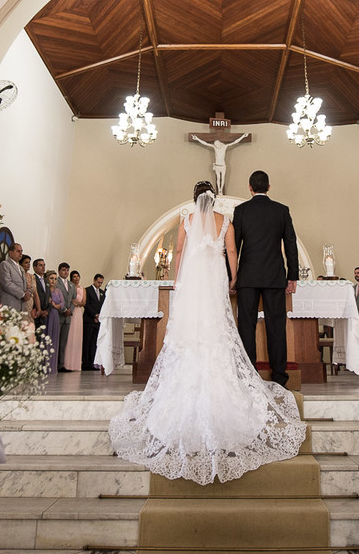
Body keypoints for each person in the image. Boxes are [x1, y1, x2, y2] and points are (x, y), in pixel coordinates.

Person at [109, 180, 307, 484]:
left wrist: (178, 280)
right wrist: (232, 279)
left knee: (189, 333)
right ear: (213, 199)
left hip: (192, 284)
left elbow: (178, 252)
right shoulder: (225, 220)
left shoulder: (186, 220)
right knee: (220, 329)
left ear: (194, 199)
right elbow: (231, 252)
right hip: (215, 282)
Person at [231, 170, 298, 387]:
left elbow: (234, 247)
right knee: (276, 326)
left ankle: (249, 376)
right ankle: (279, 376)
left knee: (246, 326)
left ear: (250, 188)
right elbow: (290, 245)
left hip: (248, 277)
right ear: (269, 187)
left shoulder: (241, 211)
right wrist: (292, 276)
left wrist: (232, 277)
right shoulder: (281, 210)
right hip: (274, 275)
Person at [82, 273, 107, 370]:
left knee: (94, 342)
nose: (99, 284)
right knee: (87, 342)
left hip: (98, 321)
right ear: (94, 280)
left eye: (101, 283)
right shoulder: (87, 290)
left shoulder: (102, 292)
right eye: (98, 282)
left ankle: (92, 362)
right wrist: (94, 315)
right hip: (89, 319)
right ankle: (85, 363)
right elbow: (86, 304)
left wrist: (99, 315)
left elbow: (103, 305)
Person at [63, 270, 86, 371]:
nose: (76, 278)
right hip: (71, 311)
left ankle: (76, 363)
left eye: (77, 276)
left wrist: (78, 303)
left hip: (78, 312)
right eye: (74, 276)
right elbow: (69, 299)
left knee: (77, 336)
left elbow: (84, 302)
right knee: (70, 336)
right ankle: (67, 363)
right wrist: (73, 303)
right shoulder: (69, 287)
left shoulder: (82, 289)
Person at [45, 271, 64, 374]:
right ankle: (45, 365)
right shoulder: (46, 289)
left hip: (55, 314)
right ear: (47, 279)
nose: (53, 280)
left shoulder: (58, 291)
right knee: (46, 337)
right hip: (48, 314)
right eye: (51, 278)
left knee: (54, 339)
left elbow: (62, 303)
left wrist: (55, 305)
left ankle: (52, 366)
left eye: (55, 278)